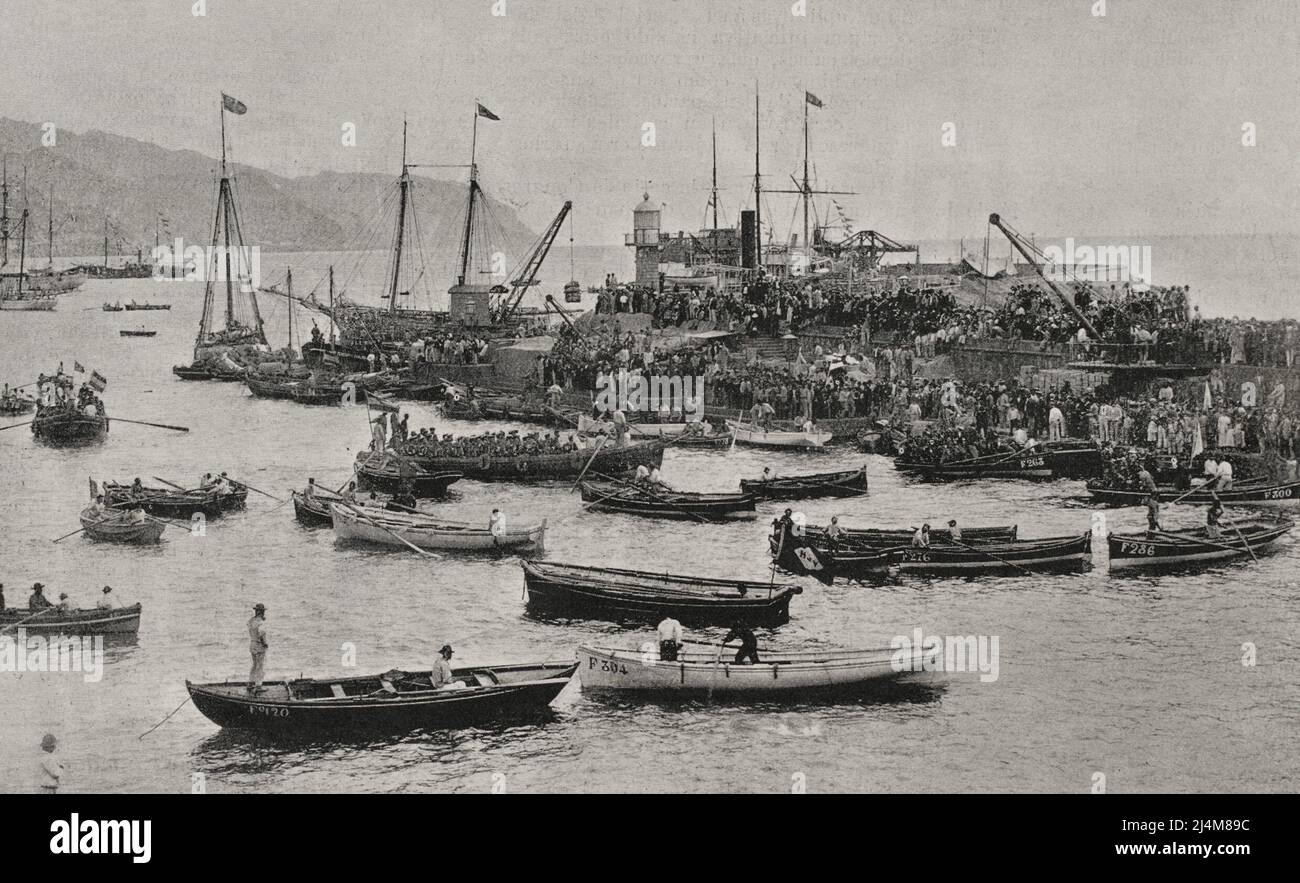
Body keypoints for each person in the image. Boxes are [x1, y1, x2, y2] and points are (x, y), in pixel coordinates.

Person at [247, 603, 268, 695]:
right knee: (260, 665)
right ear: (261, 612)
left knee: (254, 665)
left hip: (252, 644)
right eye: (263, 611)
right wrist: (265, 643)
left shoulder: (251, 621)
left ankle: (251, 683)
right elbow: (261, 633)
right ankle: (258, 685)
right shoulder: (260, 622)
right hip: (259, 645)